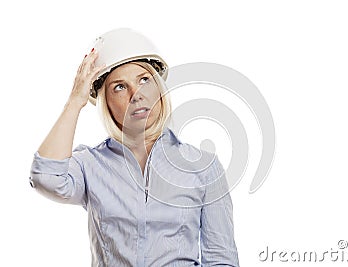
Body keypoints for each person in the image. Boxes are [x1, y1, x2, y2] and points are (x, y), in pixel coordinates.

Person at [29, 28, 240, 267]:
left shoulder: (203, 167)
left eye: (144, 80)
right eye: (119, 87)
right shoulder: (89, 164)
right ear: (105, 101)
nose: (136, 95)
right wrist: (75, 101)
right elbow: (45, 178)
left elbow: (222, 260)